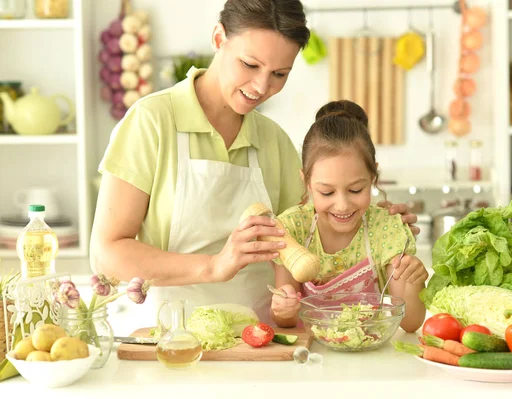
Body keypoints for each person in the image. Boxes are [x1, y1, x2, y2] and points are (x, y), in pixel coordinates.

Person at [90, 0, 419, 324]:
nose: (262, 87)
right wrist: (215, 266)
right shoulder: (152, 121)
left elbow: (312, 230)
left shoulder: (272, 139)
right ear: (219, 38)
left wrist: (376, 223)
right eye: (249, 65)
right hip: (173, 338)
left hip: (263, 341)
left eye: (279, 73)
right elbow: (107, 254)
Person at [271, 100, 428, 332]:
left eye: (356, 190)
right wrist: (283, 308)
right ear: (306, 181)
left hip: (368, 353)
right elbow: (285, 322)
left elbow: (410, 323)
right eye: (327, 192)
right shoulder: (292, 228)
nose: (342, 205)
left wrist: (415, 282)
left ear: (373, 177)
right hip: (310, 357)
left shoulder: (386, 228)